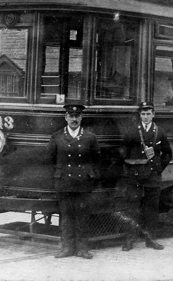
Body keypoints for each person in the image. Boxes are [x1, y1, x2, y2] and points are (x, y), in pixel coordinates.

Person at [47, 103, 101, 259]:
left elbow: (97, 160)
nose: (74, 119)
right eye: (71, 116)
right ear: (66, 117)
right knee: (66, 216)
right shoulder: (56, 136)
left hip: (83, 183)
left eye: (77, 116)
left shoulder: (90, 137)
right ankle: (67, 248)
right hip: (64, 183)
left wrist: (91, 177)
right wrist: (57, 176)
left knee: (82, 216)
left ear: (81, 117)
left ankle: (82, 248)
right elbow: (50, 159)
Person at [119, 101, 172, 251]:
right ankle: (129, 240)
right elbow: (123, 151)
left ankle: (151, 240)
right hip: (135, 175)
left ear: (153, 114)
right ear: (139, 115)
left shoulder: (159, 131)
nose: (146, 117)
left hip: (152, 176)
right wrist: (129, 167)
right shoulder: (132, 132)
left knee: (151, 208)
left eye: (148, 114)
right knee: (132, 207)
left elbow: (168, 153)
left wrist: (158, 168)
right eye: (143, 114)